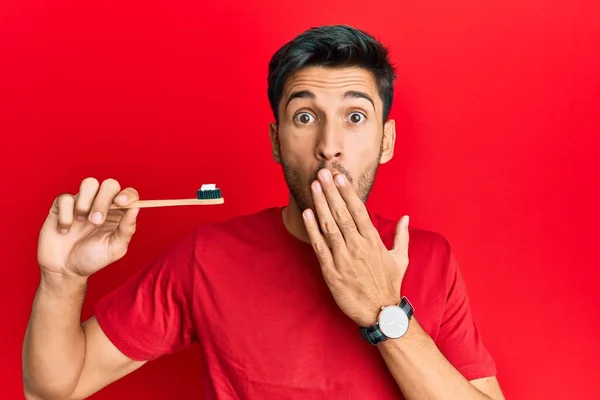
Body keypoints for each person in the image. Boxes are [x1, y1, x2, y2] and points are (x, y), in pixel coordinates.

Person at [22, 25, 505, 400]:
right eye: (304, 117)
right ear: (276, 142)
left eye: (355, 117)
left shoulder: (429, 257)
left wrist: (384, 311)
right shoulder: (207, 257)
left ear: (387, 141)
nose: (329, 146)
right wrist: (60, 279)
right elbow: (53, 388)